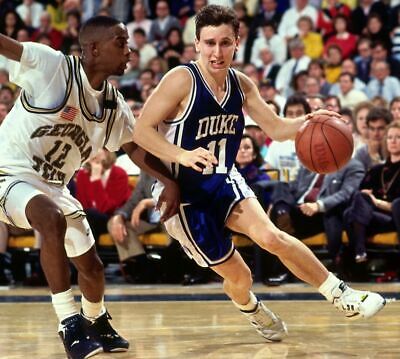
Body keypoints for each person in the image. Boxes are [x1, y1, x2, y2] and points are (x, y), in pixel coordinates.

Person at [133, 5, 386, 343]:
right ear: (196, 44)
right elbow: (141, 132)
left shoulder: (242, 84)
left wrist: (309, 121)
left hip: (224, 177)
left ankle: (341, 295)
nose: (217, 52)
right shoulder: (181, 80)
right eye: (209, 43)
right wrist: (182, 154)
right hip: (184, 194)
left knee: (270, 237)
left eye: (225, 43)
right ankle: (251, 308)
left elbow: (277, 129)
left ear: (237, 43)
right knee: (241, 276)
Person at [0, 16, 179, 359]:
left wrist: (168, 180)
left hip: (53, 186)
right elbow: (7, 45)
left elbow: (134, 148)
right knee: (51, 219)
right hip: (8, 173)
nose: (129, 51)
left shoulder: (114, 105)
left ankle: (95, 320)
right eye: (121, 43)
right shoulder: (52, 66)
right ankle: (69, 323)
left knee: (93, 266)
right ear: (93, 49)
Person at [344, 122, 400, 263]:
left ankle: (358, 252)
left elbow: (397, 206)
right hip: (370, 217)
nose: (393, 141)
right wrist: (367, 199)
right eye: (390, 137)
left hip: (392, 218)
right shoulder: (376, 170)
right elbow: (360, 196)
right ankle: (359, 253)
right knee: (357, 201)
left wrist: (375, 202)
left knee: (355, 210)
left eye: (398, 137)